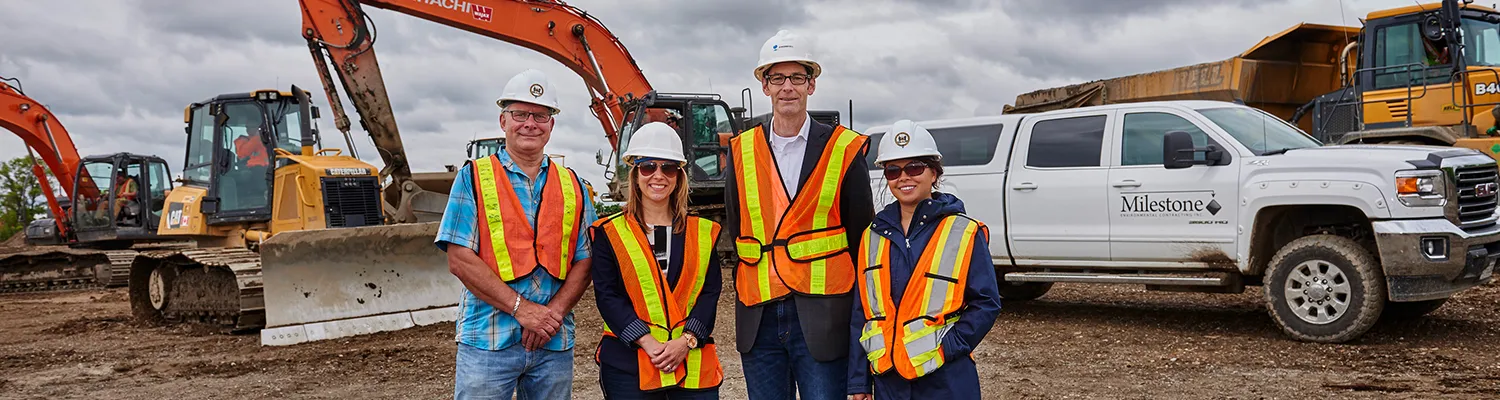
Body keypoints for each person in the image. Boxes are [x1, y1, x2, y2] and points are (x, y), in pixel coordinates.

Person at [724, 29, 875, 400]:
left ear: (811, 85)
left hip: (823, 317)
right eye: (777, 78)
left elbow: (863, 238)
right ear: (764, 86)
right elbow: (738, 224)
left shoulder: (843, 148)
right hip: (759, 317)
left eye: (796, 78)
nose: (787, 87)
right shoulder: (741, 151)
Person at [434, 68, 598, 400]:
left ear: (551, 124)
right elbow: (460, 260)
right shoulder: (473, 179)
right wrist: (523, 310)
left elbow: (586, 259)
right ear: (503, 121)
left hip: (553, 342)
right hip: (488, 342)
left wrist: (551, 316)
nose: (529, 123)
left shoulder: (574, 185)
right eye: (519, 114)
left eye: (540, 115)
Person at [847, 120, 1002, 399]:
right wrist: (858, 381)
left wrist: (948, 347)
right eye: (893, 170)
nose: (903, 177)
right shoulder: (872, 236)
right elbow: (863, 313)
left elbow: (986, 303)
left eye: (914, 168)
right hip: (888, 381)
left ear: (933, 173)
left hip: (947, 379)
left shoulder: (963, 231)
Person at [591, 122, 725, 399]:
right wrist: (646, 341)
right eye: (648, 166)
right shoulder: (610, 232)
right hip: (630, 363)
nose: (658, 175)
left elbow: (709, 293)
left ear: (679, 175)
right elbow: (608, 296)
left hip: (692, 362)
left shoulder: (702, 232)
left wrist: (686, 341)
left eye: (669, 167)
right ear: (635, 173)